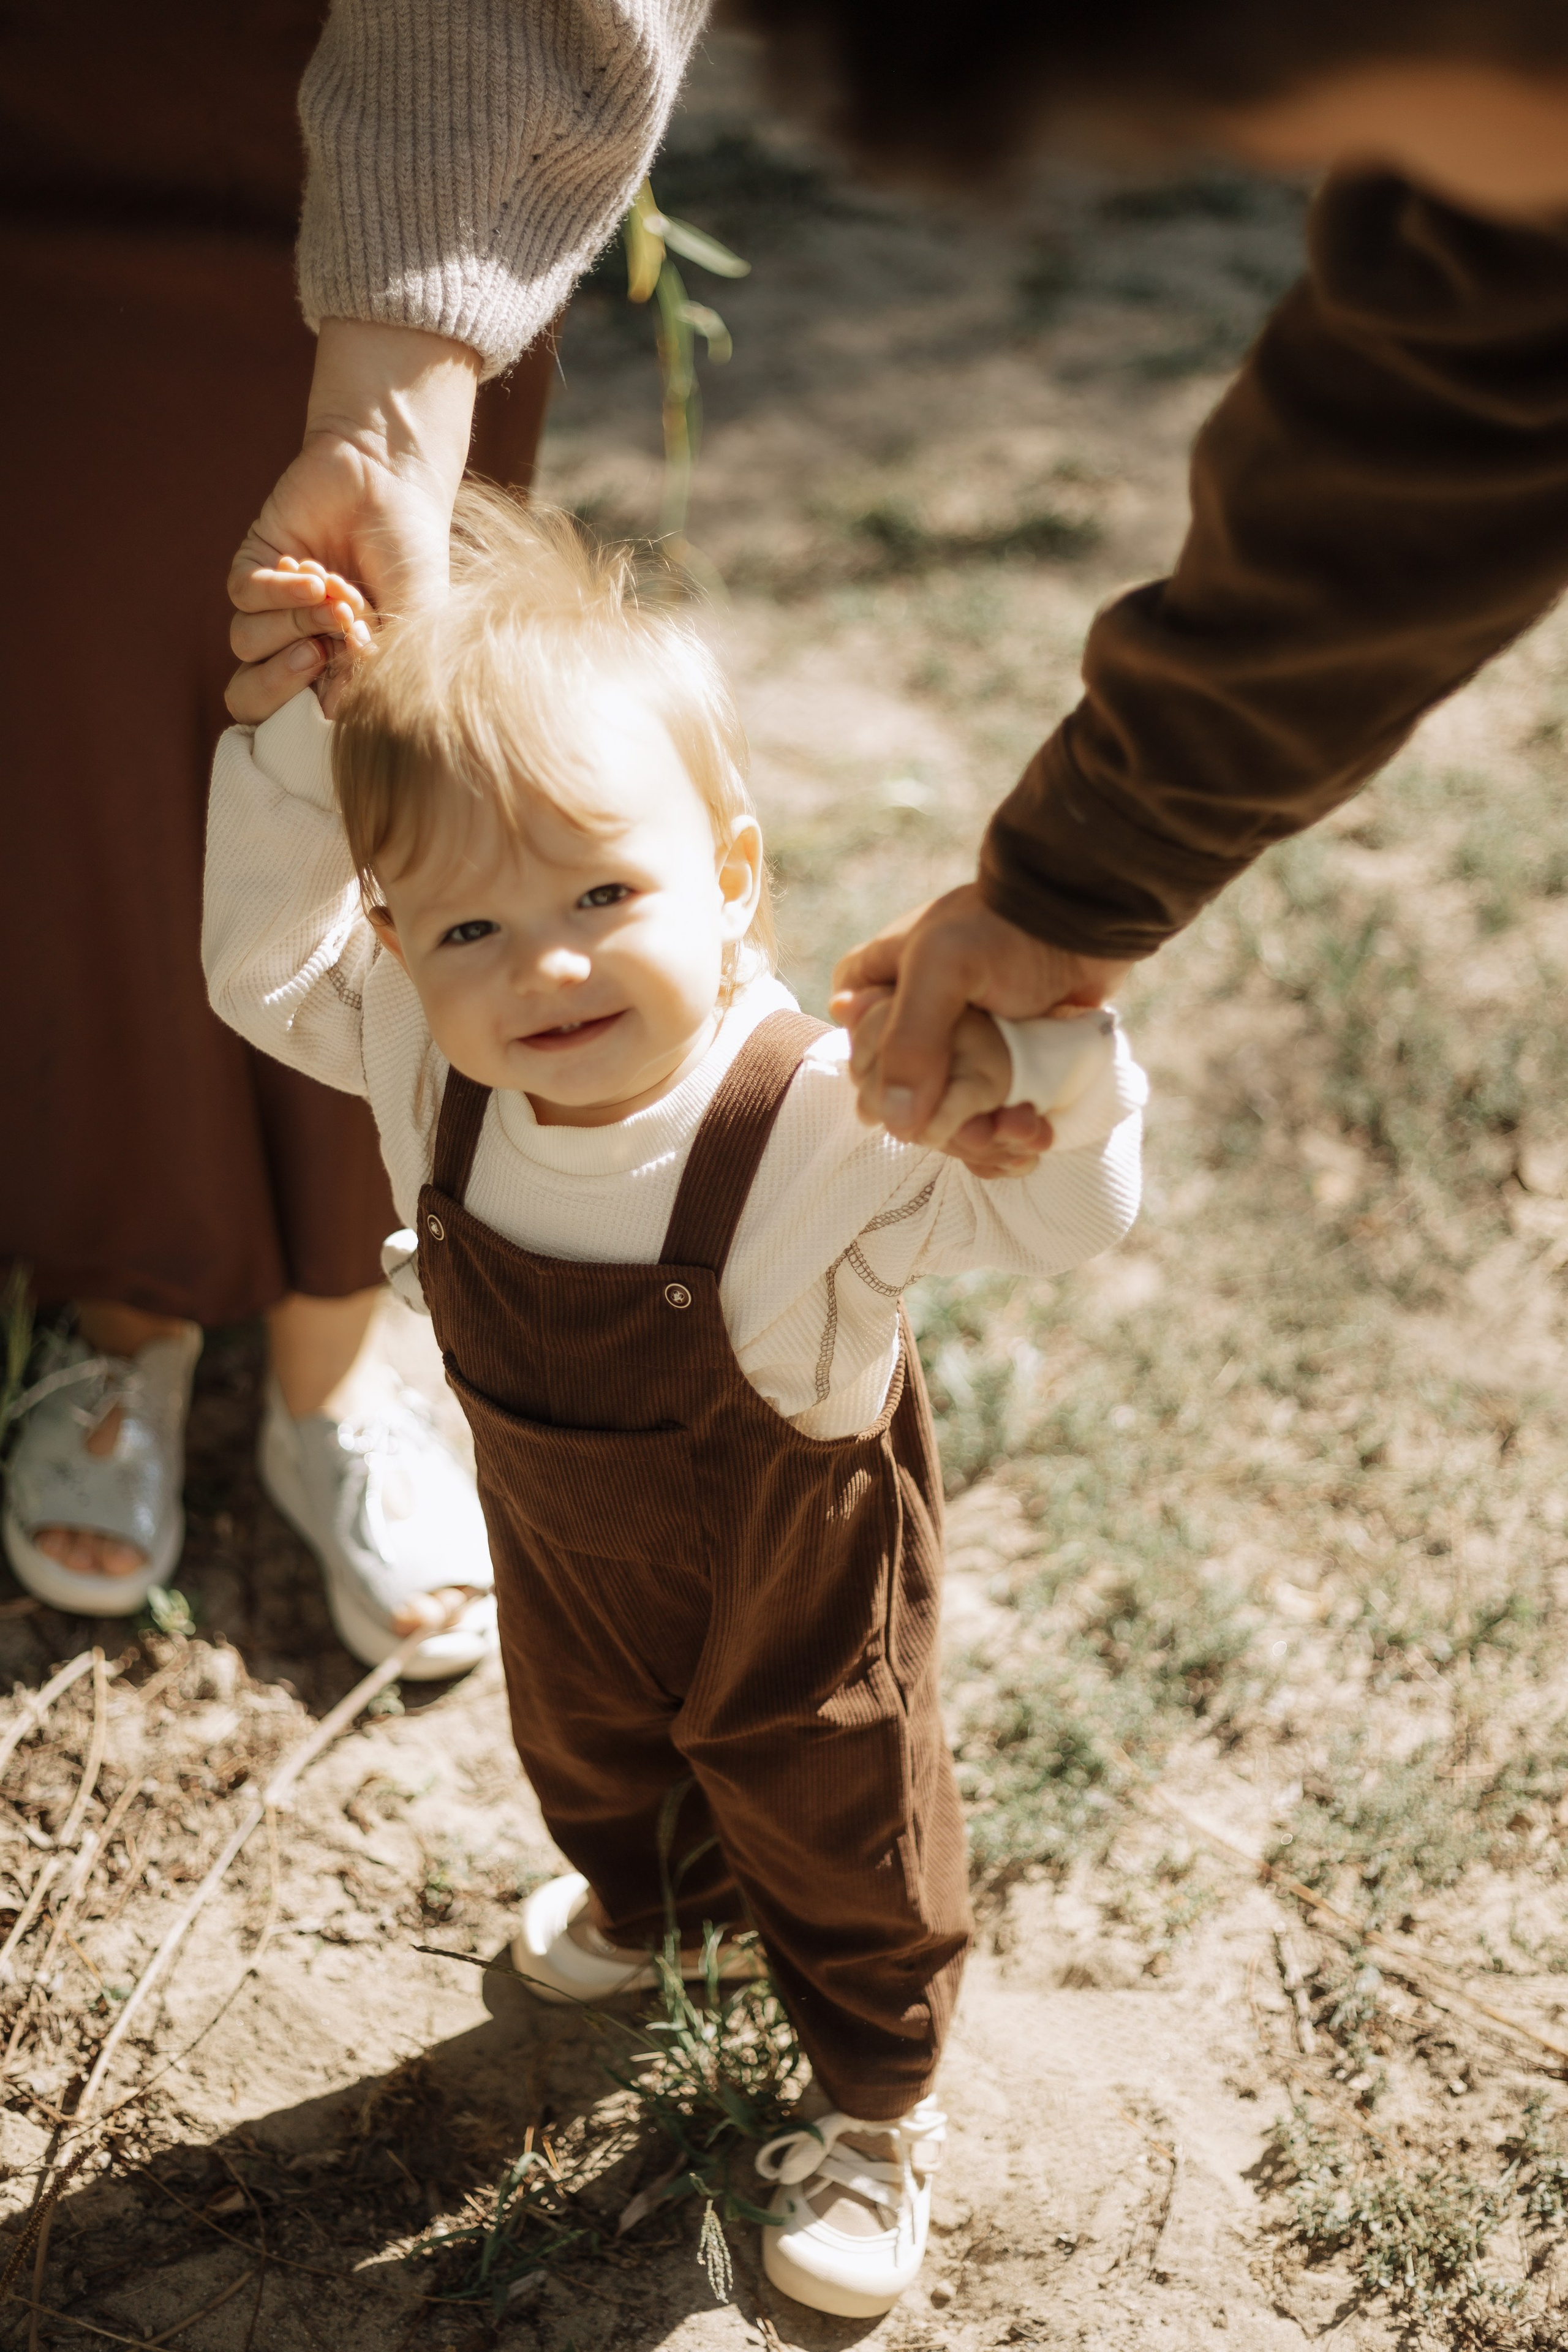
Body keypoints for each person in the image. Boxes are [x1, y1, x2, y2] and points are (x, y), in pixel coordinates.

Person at [202, 484, 1147, 2314]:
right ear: (390, 937)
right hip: (571, 1555)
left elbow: (1049, 1223)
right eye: (464, 929)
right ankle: (663, 1920)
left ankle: (880, 2094)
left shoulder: (811, 1111)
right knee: (589, 1743)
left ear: (733, 879)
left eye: (603, 894)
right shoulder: (422, 1053)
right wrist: (297, 742)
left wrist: (1074, 1087)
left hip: (799, 1588)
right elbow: (256, 971)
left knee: (837, 1823)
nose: (540, 965)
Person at [0, 0, 700, 1668]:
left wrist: (391, 399)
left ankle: (340, 1346)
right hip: (43, 132)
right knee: (76, 737)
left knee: (399, 749)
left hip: (435, 113)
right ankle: (128, 1295)